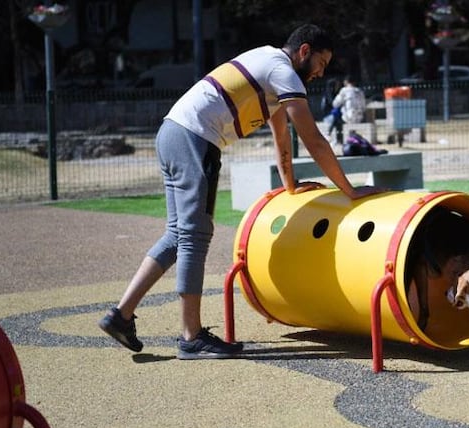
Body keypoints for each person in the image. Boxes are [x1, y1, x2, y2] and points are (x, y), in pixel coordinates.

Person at [98, 24, 385, 359]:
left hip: (173, 133)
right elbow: (314, 140)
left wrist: (290, 185)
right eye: (321, 62)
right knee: (194, 236)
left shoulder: (271, 69)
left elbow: (283, 139)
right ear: (304, 51)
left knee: (178, 234)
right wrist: (350, 191)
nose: (322, 72)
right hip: (195, 139)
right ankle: (191, 337)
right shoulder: (283, 71)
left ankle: (121, 315)